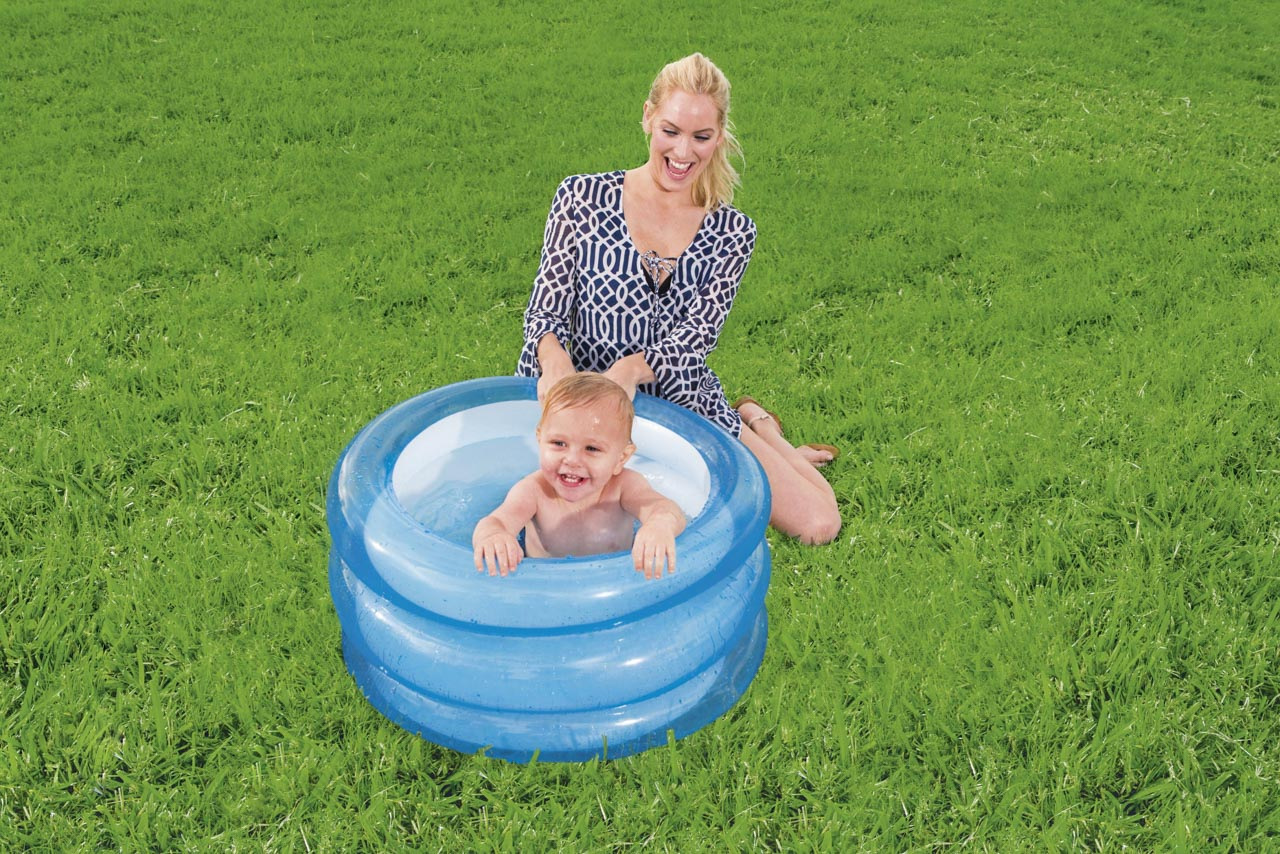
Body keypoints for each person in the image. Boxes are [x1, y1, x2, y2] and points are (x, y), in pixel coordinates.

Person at [516, 53, 842, 544]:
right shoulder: (581, 197)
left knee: (819, 524)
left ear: (720, 136)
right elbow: (545, 310)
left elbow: (694, 340)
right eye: (670, 130)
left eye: (701, 137)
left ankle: (761, 427)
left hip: (676, 396)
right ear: (648, 117)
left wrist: (630, 371)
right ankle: (760, 434)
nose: (683, 152)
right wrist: (554, 362)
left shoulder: (732, 232)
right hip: (577, 403)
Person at [473, 372, 686, 579]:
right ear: (540, 439)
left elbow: (665, 509)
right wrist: (494, 536)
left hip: (613, 583)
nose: (572, 460)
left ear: (621, 458)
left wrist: (658, 525)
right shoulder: (534, 491)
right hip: (545, 586)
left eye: (592, 448)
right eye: (559, 443)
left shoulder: (624, 487)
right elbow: (496, 521)